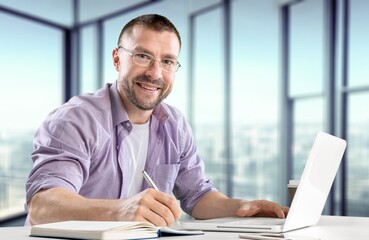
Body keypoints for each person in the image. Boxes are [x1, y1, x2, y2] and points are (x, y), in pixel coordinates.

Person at [26, 14, 288, 227]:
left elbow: (197, 195)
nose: (155, 73)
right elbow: (42, 206)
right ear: (117, 59)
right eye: (143, 56)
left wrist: (240, 207)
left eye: (167, 61)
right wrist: (121, 211)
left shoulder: (174, 124)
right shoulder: (76, 119)